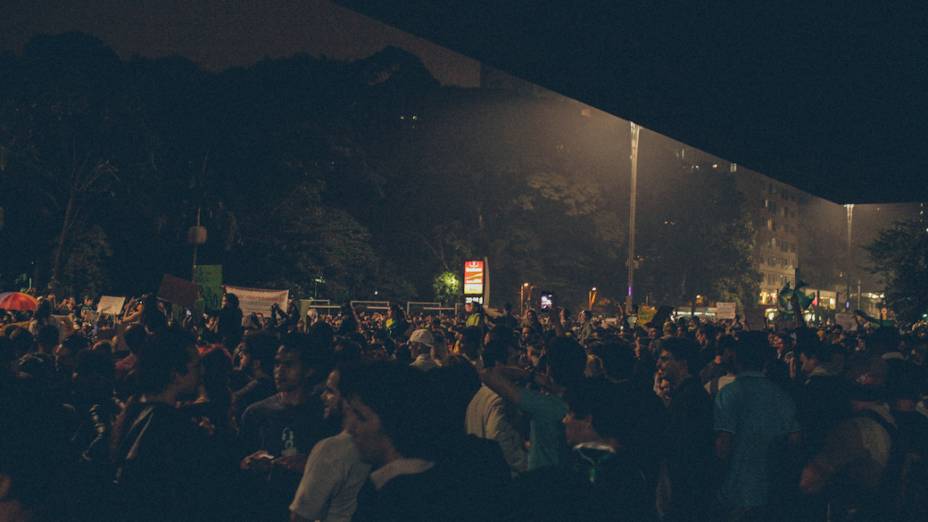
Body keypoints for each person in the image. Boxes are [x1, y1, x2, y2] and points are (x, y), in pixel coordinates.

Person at [110, 328, 225, 521]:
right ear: (175, 374)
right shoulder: (169, 426)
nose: (202, 372)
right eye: (196, 366)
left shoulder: (136, 412)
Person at [510, 379, 656, 521]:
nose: (565, 420)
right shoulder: (630, 469)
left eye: (570, 413)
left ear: (587, 420)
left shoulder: (588, 473)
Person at [342, 363, 467, 522]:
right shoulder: (441, 481)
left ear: (392, 423)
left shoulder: (394, 502)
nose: (349, 427)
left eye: (361, 417)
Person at [239, 333, 336, 521]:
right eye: (277, 363)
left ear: (308, 370)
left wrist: (311, 465)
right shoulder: (256, 413)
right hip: (265, 508)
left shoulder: (325, 415)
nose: (279, 371)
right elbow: (240, 461)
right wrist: (250, 463)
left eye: (289, 364)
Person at [715, 332, 802, 520]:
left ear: (737, 360)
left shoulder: (728, 394)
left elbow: (723, 445)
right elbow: (794, 440)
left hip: (736, 490)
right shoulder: (781, 396)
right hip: (772, 490)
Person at [480, 336, 586, 470]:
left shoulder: (547, 404)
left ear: (550, 368)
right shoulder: (578, 399)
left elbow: (488, 374)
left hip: (543, 478)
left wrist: (531, 376)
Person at [290, 366, 371, 522]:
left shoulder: (332, 448)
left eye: (330, 391)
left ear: (350, 400)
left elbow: (300, 516)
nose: (323, 396)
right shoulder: (378, 442)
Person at [656, 337, 714, 522]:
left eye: (666, 359)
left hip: (686, 487)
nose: (660, 363)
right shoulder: (687, 394)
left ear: (682, 363)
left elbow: (685, 446)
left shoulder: (690, 398)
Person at [466, 340, 528, 475]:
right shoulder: (499, 398)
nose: (519, 365)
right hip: (502, 474)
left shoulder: (480, 394)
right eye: (514, 359)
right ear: (499, 365)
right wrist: (527, 465)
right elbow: (500, 439)